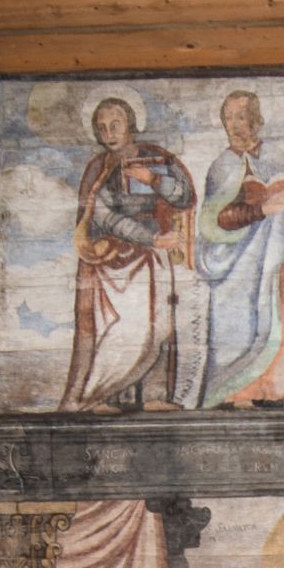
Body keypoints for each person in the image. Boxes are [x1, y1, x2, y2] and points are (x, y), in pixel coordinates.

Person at [194, 89, 284, 406]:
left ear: (256, 120)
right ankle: (237, 392)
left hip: (280, 255)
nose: (233, 125)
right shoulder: (222, 166)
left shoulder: (275, 156)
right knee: (244, 328)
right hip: (240, 262)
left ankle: (281, 390)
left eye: (240, 117)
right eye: (228, 118)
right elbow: (217, 219)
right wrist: (262, 210)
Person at [59, 97, 192, 411]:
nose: (109, 133)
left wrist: (154, 179)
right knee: (122, 329)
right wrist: (151, 238)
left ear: (131, 123)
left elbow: (185, 196)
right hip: (113, 260)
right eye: (102, 127)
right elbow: (103, 218)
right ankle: (100, 396)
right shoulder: (98, 169)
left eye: (115, 125)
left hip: (156, 256)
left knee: (160, 325)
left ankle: (153, 396)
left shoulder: (156, 157)